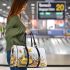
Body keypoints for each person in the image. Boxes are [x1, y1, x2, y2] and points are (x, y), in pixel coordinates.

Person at [5, 0, 30, 70]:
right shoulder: (13, 17)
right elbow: (8, 33)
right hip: (14, 52)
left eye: (25, 5)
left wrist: (24, 31)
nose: (25, 7)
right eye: (23, 5)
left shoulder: (18, 16)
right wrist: (23, 29)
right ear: (18, 5)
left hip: (21, 51)